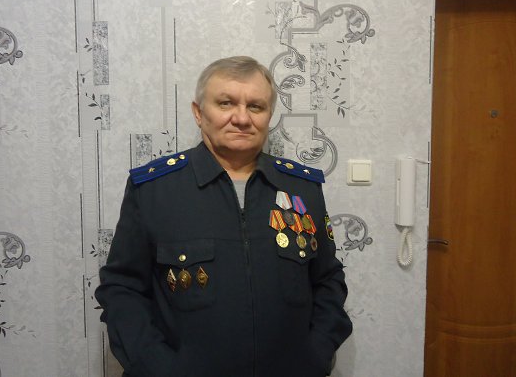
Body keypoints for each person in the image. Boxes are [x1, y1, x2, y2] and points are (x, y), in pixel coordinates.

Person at [96, 56, 352, 377]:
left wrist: (315, 354)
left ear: (269, 115)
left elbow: (328, 279)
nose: (241, 118)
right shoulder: (154, 190)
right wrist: (157, 367)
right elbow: (122, 289)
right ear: (198, 113)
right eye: (226, 103)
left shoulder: (303, 188)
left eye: (256, 106)